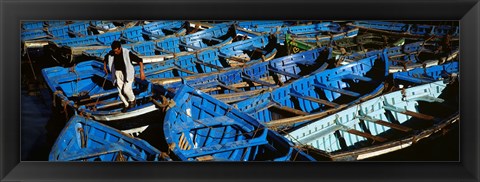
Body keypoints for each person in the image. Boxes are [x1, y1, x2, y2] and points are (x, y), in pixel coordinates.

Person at [103, 40, 146, 112]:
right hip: (117, 73)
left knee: (126, 89)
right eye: (114, 51)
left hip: (127, 73)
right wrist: (104, 67)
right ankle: (126, 105)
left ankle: (132, 100)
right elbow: (105, 59)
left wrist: (142, 72)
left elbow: (140, 61)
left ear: (120, 48)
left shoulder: (127, 53)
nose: (115, 53)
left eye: (117, 51)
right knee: (120, 92)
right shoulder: (111, 53)